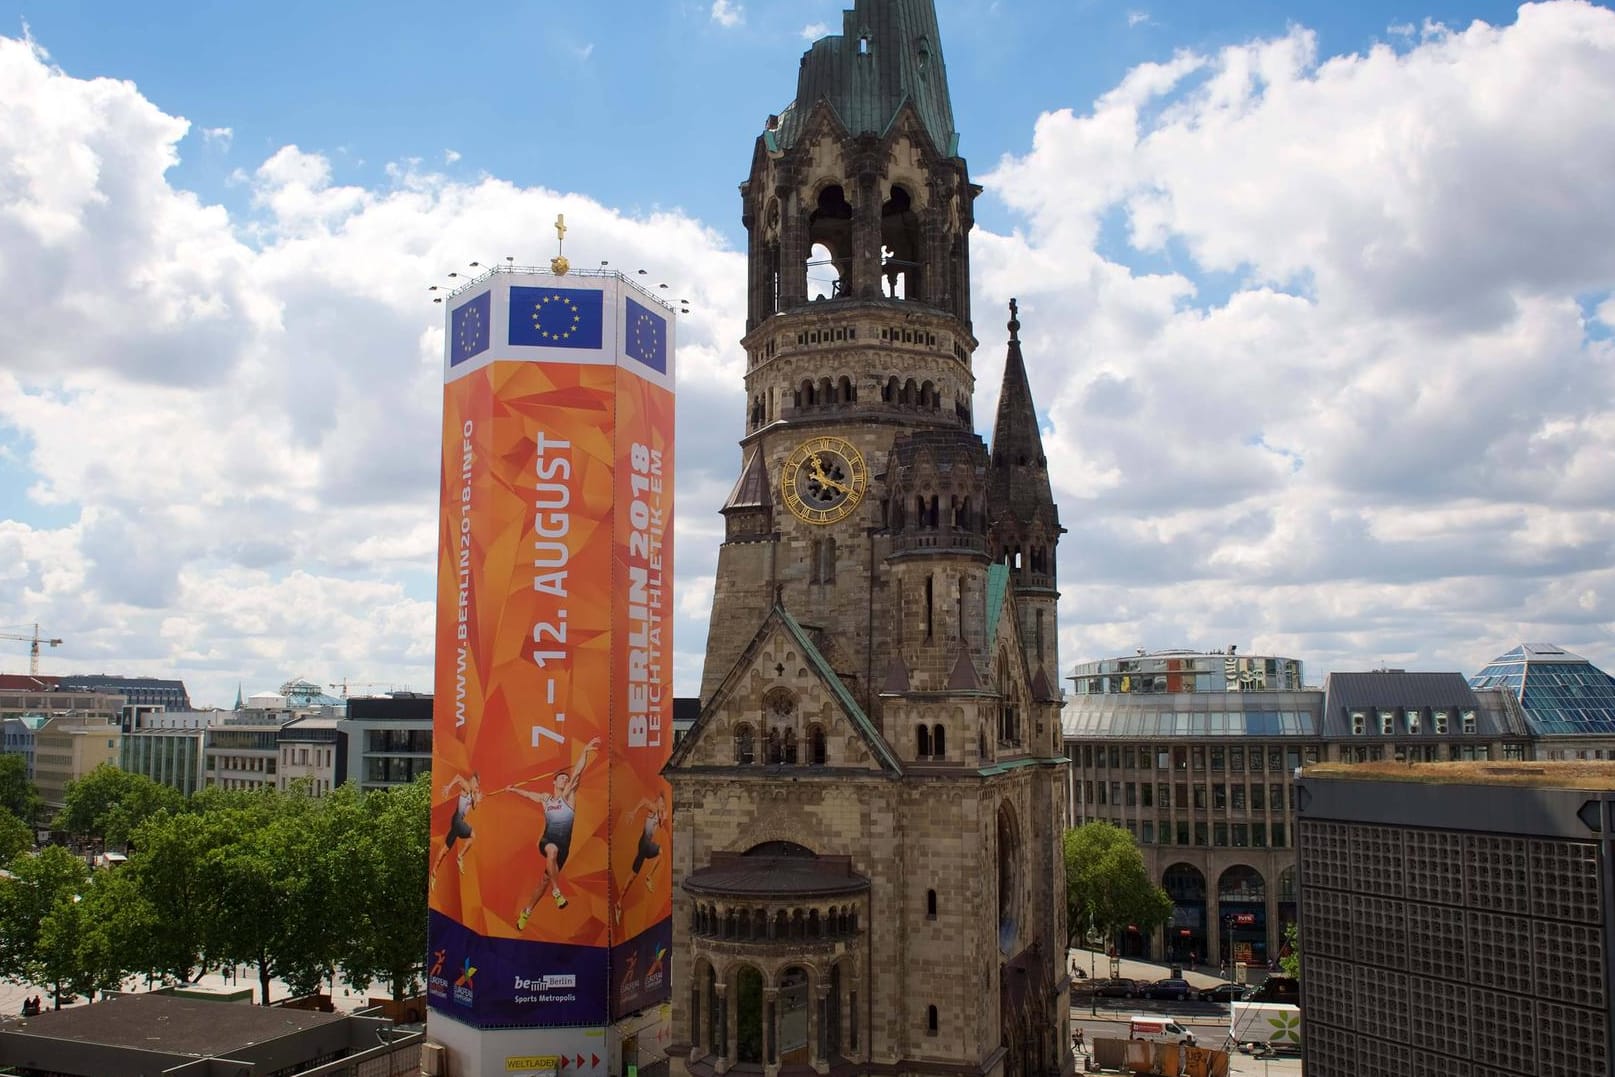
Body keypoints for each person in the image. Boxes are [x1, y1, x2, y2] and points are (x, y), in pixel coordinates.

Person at [510, 737, 600, 929]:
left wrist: (584, 751)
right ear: (554, 781)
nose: (565, 780)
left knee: (543, 882)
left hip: (564, 844)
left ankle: (526, 912)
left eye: (566, 779)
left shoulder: (569, 796)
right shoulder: (546, 799)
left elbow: (577, 772)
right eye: (561, 778)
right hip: (548, 840)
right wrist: (513, 789)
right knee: (551, 852)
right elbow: (528, 795)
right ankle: (557, 892)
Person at [615, 793, 668, 925]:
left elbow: (659, 825)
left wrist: (664, 818)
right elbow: (644, 800)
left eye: (663, 804)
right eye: (661, 802)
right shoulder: (654, 808)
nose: (662, 805)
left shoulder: (659, 814)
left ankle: (619, 902)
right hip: (644, 843)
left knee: (632, 876)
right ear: (658, 801)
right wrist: (634, 812)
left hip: (644, 847)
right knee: (661, 852)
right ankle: (649, 877)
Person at [430, 772, 483, 889]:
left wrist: (478, 799)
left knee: (445, 849)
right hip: (457, 819)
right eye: (477, 784)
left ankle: (433, 873)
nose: (477, 787)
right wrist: (449, 787)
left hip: (456, 823)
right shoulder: (467, 786)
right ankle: (460, 856)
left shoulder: (473, 793)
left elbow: (473, 807)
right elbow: (458, 777)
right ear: (473, 781)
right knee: (473, 835)